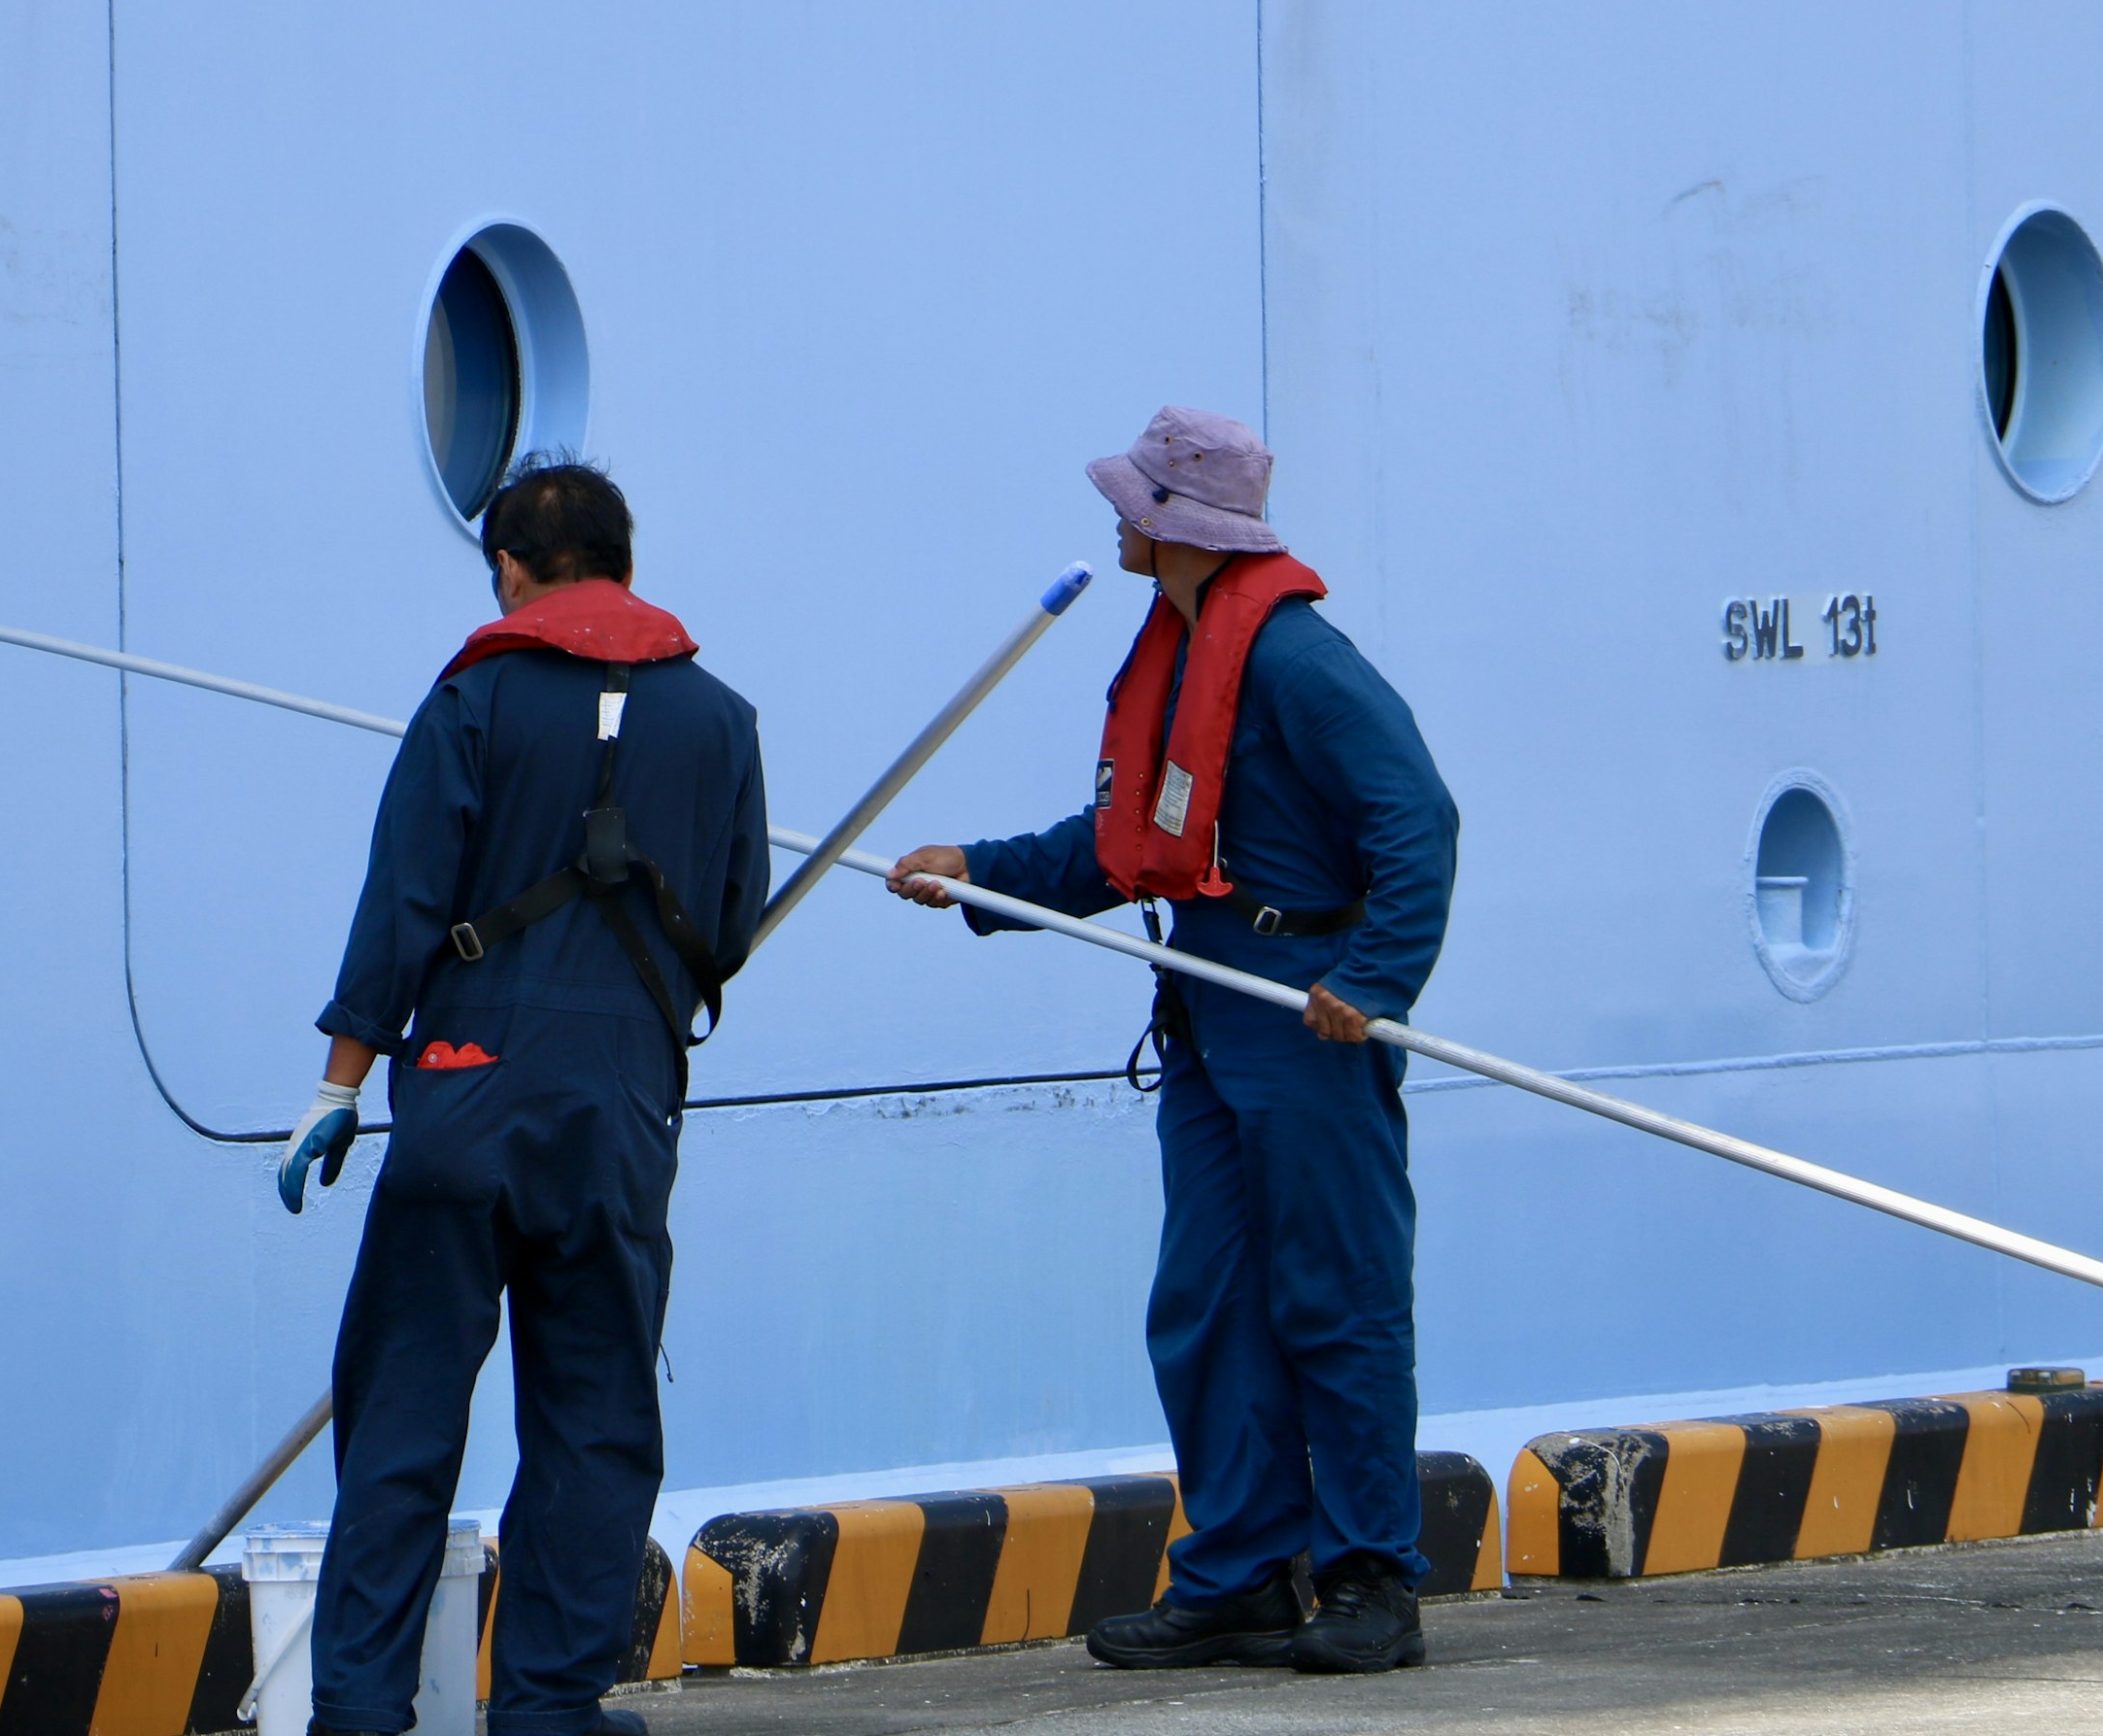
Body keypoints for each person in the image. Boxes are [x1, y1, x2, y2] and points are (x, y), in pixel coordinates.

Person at [887, 406, 1457, 1677]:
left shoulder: (1300, 663)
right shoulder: (1185, 647)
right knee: (1205, 1299)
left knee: (1339, 1295)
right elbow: (1118, 850)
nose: (1118, 513)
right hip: (1209, 1017)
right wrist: (978, 874)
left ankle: (1371, 1577)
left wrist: (1374, 979)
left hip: (1305, 1018)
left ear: (1176, 525)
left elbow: (1419, 819)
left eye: (1134, 499)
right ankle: (1244, 1568)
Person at [279, 457, 770, 1736]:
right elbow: (727, 924)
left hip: (463, 1090)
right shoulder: (720, 719)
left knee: (402, 1417)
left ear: (510, 566)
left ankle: (360, 1713)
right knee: (596, 1418)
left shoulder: (475, 697)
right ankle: (551, 1709)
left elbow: (402, 903)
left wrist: (339, 1087)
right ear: (623, 562)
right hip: (619, 1106)